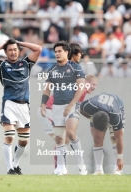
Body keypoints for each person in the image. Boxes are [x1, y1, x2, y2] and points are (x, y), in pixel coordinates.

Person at [0, 38, 42, 175]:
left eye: (15, 49)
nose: (13, 52)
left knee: (24, 141)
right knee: (9, 137)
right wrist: (2, 45)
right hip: (9, 104)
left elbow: (38, 48)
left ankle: (15, 164)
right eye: (10, 50)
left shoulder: (26, 63)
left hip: (24, 106)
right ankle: (9, 168)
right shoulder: (1, 65)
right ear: (6, 52)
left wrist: (20, 42)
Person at [40, 41, 86, 176]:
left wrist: (71, 105)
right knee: (59, 139)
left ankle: (81, 164)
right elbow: (47, 89)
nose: (57, 53)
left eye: (60, 51)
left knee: (71, 133)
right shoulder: (52, 70)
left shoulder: (76, 68)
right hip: (57, 107)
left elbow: (81, 87)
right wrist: (43, 104)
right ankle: (61, 168)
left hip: (71, 106)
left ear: (67, 52)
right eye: (56, 51)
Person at [80, 93, 124, 175]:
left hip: (117, 105)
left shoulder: (115, 116)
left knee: (114, 137)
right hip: (97, 111)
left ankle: (117, 169)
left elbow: (119, 138)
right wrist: (91, 118)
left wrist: (120, 158)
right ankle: (99, 170)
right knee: (97, 138)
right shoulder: (89, 105)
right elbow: (80, 109)